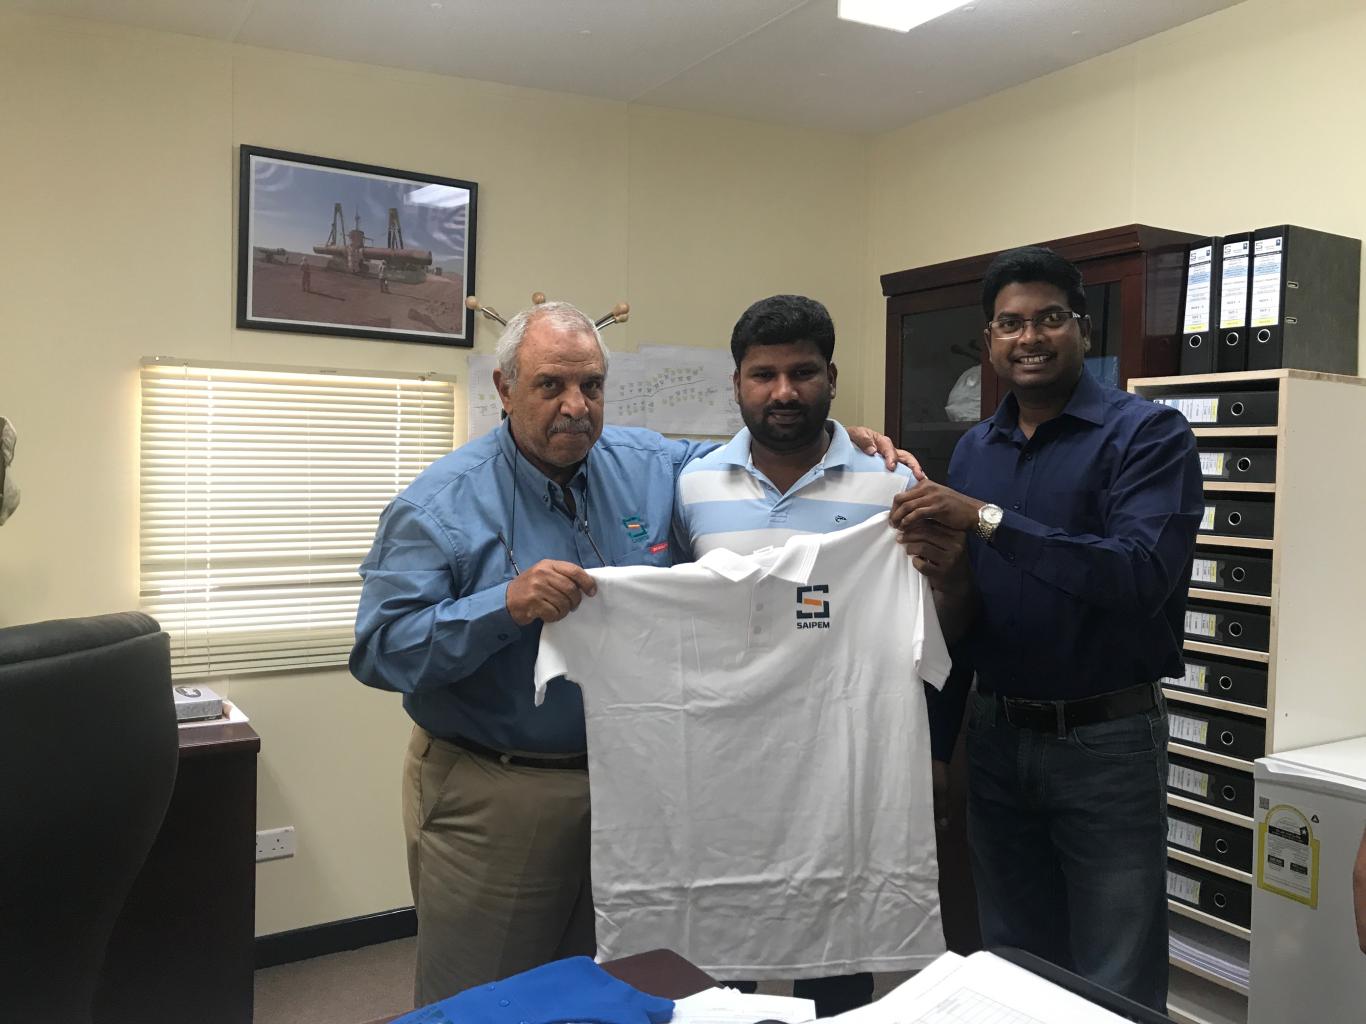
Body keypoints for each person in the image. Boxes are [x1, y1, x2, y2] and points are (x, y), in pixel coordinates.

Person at [350, 301, 910, 1005]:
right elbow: (381, 650)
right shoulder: (438, 505)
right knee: (489, 999)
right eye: (551, 385)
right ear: (504, 389)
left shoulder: (652, 466)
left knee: (618, 988)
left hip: (642, 784)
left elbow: (762, 456)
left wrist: (842, 444)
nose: (576, 406)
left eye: (592, 385)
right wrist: (504, 606)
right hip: (500, 788)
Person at [889, 245, 1203, 1011]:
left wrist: (984, 518)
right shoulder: (977, 448)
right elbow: (965, 613)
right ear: (990, 339)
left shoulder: (1149, 436)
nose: (1029, 338)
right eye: (1010, 324)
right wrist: (938, 742)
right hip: (996, 738)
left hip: (1106, 744)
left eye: (1049, 318)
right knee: (1014, 964)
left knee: (1116, 971)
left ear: (1082, 328)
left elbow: (1137, 575)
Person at [675, 294, 963, 1017]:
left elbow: (933, 625)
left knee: (840, 961)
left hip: (847, 768)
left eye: (802, 372)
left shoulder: (894, 484)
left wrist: (933, 749)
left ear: (831, 377)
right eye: (762, 375)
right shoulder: (691, 485)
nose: (783, 392)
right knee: (723, 963)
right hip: (728, 767)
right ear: (736, 383)